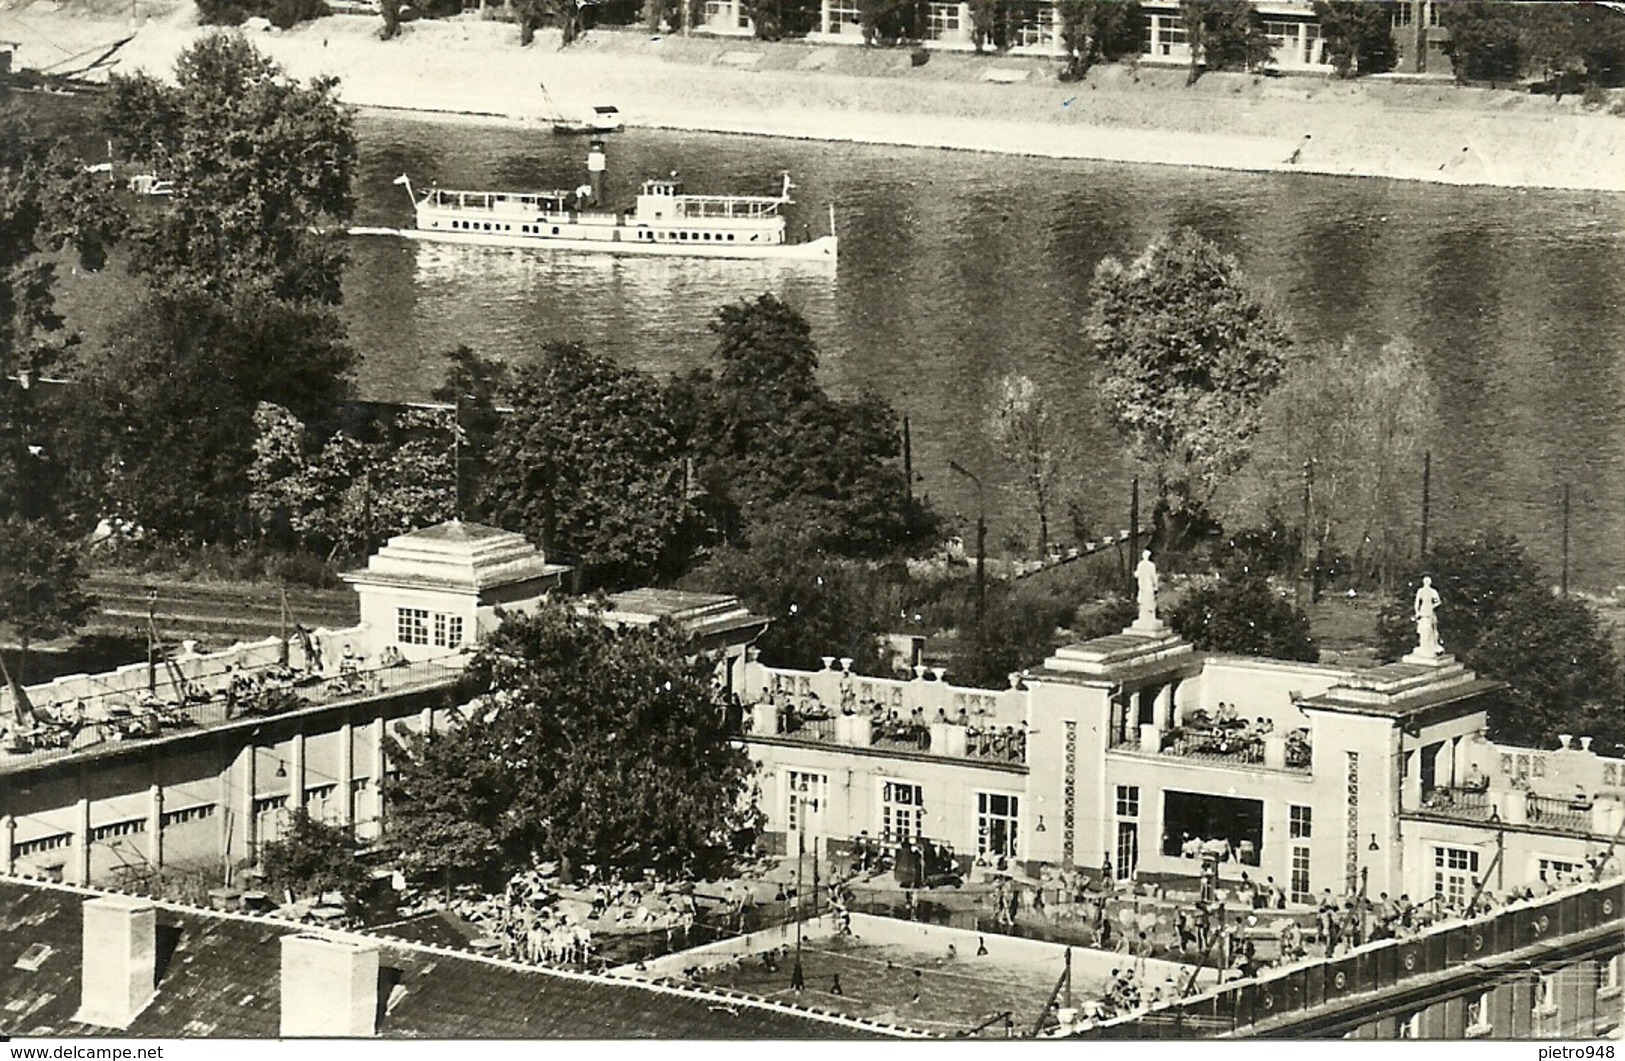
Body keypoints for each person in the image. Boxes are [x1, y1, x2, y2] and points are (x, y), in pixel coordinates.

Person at [1413, 576, 1443, 656]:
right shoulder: (1422, 591)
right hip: (1426, 610)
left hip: (1428, 610)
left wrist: (1431, 606)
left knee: (1431, 627)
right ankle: (1425, 645)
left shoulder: (1431, 591)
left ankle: (1431, 645)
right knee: (1424, 627)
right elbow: (1417, 603)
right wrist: (1417, 611)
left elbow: (1438, 601)